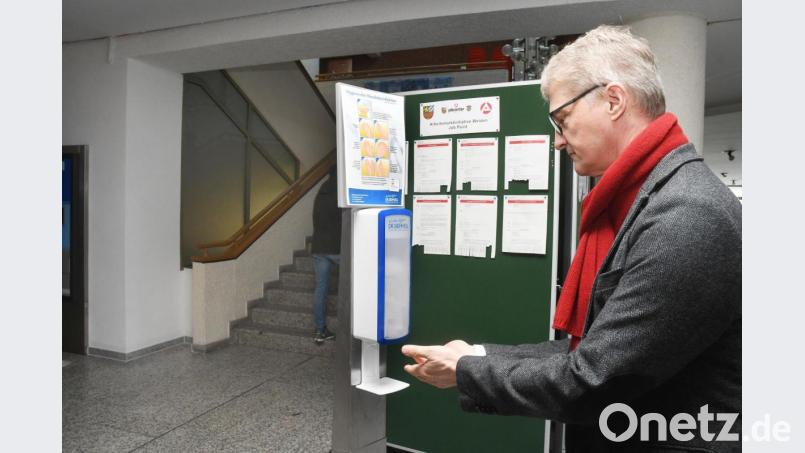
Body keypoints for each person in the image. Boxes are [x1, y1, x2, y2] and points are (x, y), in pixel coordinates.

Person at [402, 25, 741, 452]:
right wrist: (479, 355)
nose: (558, 140)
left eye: (562, 119)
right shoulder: (650, 198)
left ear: (614, 100)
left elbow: (596, 378)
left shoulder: (687, 216)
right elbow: (594, 350)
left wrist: (468, 370)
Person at [311, 167, 341, 345]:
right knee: (352, 287)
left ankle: (319, 330)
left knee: (320, 289)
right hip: (337, 248)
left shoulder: (321, 191)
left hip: (319, 247)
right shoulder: (343, 192)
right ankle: (351, 330)